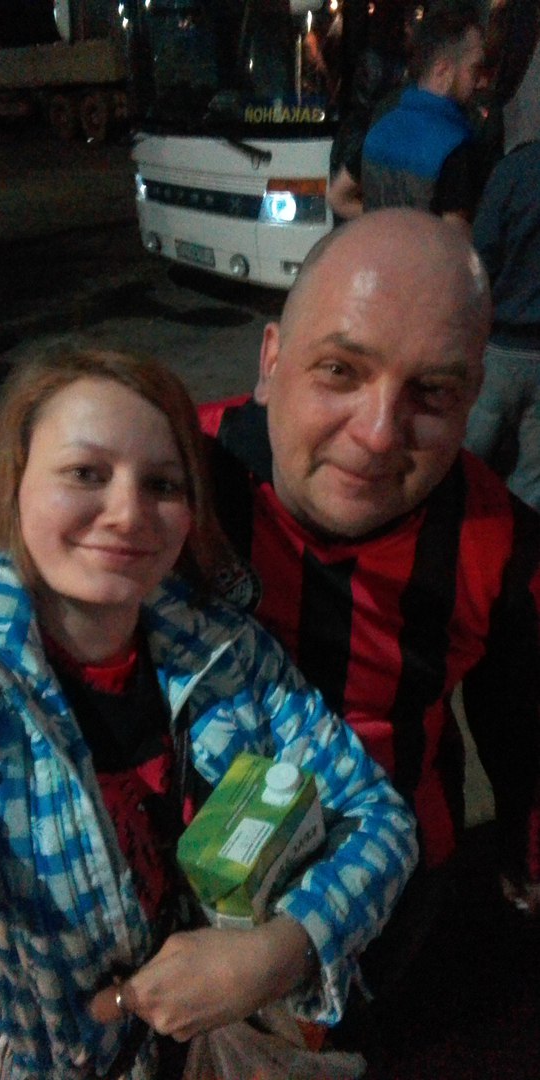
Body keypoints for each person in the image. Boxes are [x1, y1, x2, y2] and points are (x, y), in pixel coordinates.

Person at [0, 345, 417, 1078]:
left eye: (161, 483)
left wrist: (279, 952)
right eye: (85, 473)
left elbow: (380, 819)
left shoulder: (223, 650)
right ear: (15, 484)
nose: (128, 513)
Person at [197, 208, 540, 925]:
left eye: (432, 391)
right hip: (176, 887)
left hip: (396, 894)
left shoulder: (503, 545)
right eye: (340, 370)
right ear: (270, 363)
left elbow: (525, 736)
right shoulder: (172, 476)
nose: (380, 434)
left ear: (471, 399)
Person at [327, 2, 485, 228]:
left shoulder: (381, 129)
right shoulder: (455, 147)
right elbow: (456, 237)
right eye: (474, 69)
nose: (480, 81)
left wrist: (389, 221)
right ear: (443, 70)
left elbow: (337, 198)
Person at [464, 138, 540, 513]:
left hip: (501, 348)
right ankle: (518, 542)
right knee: (532, 481)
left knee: (466, 458)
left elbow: (483, 255)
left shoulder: (517, 169)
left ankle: (458, 532)